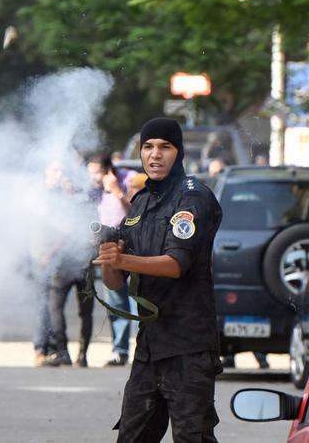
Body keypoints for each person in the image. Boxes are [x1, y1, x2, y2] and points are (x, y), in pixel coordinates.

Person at [96, 118, 224, 442]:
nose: (155, 155)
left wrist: (122, 258)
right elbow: (115, 283)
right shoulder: (141, 202)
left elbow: (176, 264)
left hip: (189, 347)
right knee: (132, 436)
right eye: (148, 147)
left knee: (192, 437)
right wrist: (109, 257)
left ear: (178, 153)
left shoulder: (192, 198)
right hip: (150, 347)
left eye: (165, 147)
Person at [42, 161, 94, 367]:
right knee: (84, 311)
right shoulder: (88, 202)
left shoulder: (63, 204)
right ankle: (82, 355)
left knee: (56, 307)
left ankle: (64, 352)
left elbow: (62, 232)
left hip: (66, 262)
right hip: (82, 262)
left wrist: (49, 252)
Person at [89, 154, 135, 367]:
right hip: (109, 248)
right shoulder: (93, 191)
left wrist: (117, 191)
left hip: (134, 248)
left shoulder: (129, 180)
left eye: (97, 172)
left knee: (140, 302)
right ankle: (120, 350)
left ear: (108, 170)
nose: (93, 177)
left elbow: (135, 213)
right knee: (116, 302)